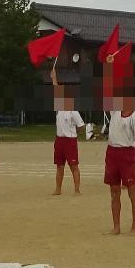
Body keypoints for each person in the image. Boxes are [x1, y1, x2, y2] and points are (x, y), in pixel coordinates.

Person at [103, 93, 135, 234]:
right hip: (112, 153)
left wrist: (130, 146)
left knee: (132, 191)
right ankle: (116, 227)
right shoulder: (115, 112)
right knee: (114, 193)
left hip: (126, 154)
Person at [50, 60, 83, 196]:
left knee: (74, 166)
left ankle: (77, 189)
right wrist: (54, 77)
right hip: (59, 141)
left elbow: (81, 126)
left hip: (70, 141)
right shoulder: (59, 107)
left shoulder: (73, 112)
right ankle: (58, 189)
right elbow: (56, 89)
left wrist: (74, 133)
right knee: (59, 166)